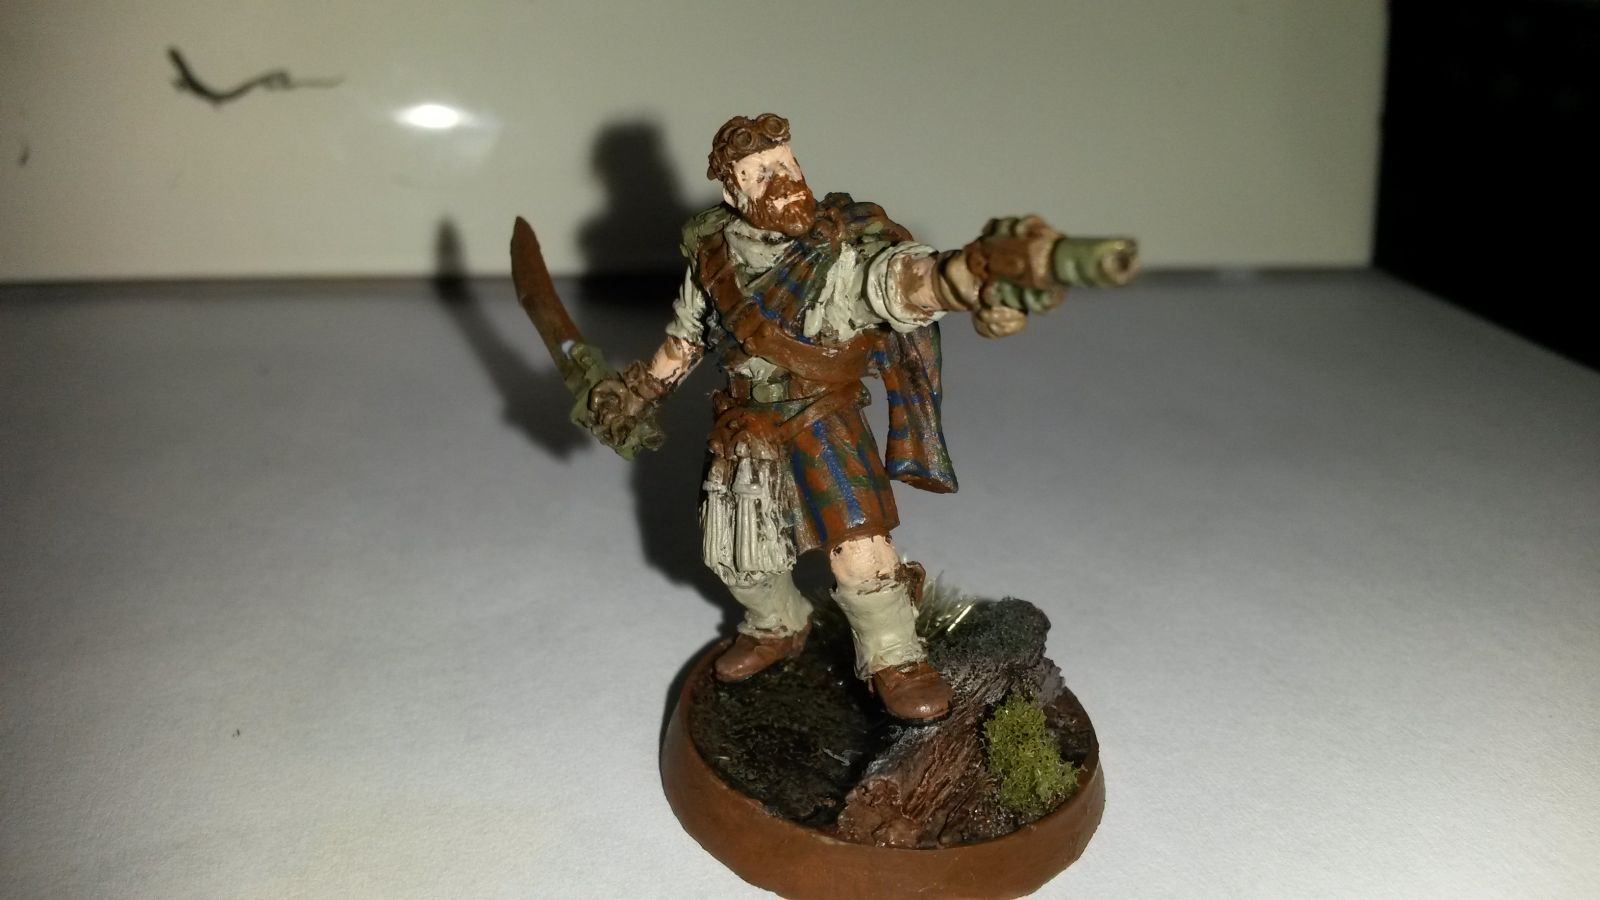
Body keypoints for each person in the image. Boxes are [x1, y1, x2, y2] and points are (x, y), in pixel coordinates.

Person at [587, 113, 1074, 721]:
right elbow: (686, 340)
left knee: (860, 544)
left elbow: (897, 282)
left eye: (786, 164)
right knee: (739, 553)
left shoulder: (838, 249)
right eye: (761, 173)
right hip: (746, 424)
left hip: (824, 418)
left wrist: (967, 276)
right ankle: (776, 626)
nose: (784, 180)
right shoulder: (712, 254)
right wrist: (638, 393)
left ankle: (894, 655)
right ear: (732, 191)